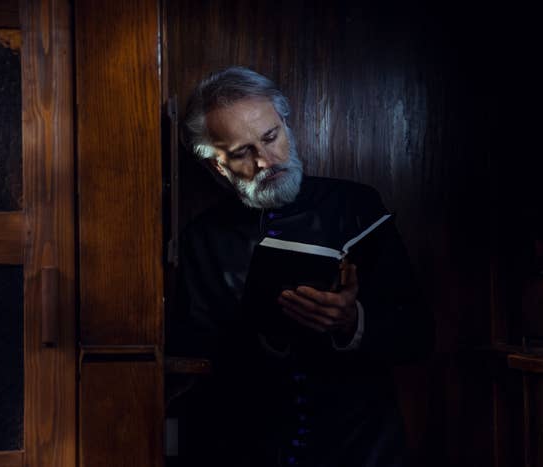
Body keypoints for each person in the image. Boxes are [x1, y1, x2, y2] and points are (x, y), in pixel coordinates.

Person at [168, 67, 433, 467]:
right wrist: (262, 339)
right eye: (241, 153)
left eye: (271, 137)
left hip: (363, 449)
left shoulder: (357, 206)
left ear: (286, 125)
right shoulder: (201, 240)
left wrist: (351, 322)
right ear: (217, 167)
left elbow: (418, 334)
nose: (265, 161)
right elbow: (193, 360)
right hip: (250, 452)